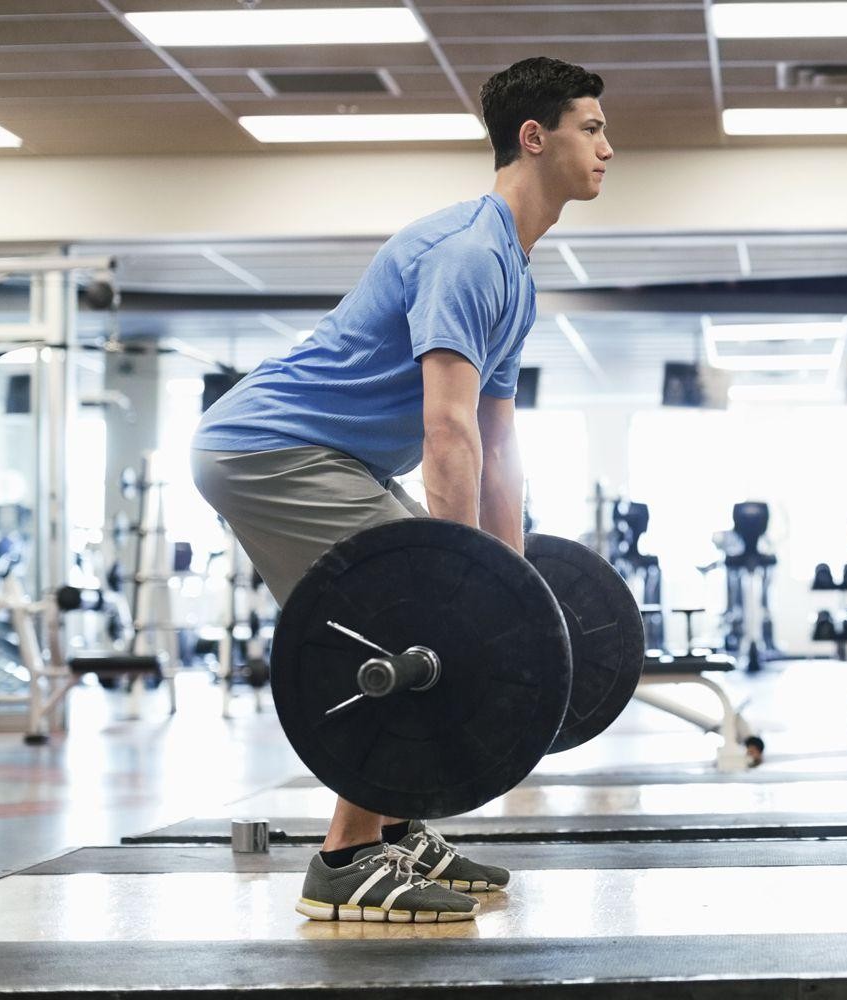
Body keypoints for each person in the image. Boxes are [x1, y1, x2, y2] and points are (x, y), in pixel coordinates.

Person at [191, 57, 611, 923]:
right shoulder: (466, 253)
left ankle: (389, 828)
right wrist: (458, 594)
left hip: (330, 458)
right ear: (535, 139)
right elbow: (447, 431)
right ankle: (345, 858)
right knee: (408, 618)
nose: (611, 147)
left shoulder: (514, 271)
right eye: (593, 128)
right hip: (270, 448)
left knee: (426, 614)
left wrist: (512, 586)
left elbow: (498, 444)